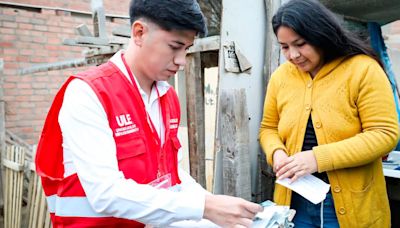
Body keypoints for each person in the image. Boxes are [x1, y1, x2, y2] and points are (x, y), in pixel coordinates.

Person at [35, 0, 263, 227]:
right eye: (174, 46)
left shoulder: (168, 97)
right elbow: (105, 192)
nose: (181, 61)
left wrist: (214, 206)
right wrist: (204, 207)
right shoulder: (89, 92)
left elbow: (172, 176)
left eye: (186, 49)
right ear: (139, 33)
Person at [259, 0, 399, 227]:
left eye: (300, 44)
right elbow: (269, 128)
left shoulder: (362, 69)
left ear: (320, 35)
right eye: (284, 47)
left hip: (349, 202)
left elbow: (384, 134)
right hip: (294, 200)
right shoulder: (281, 77)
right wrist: (276, 153)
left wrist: (316, 158)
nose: (293, 55)